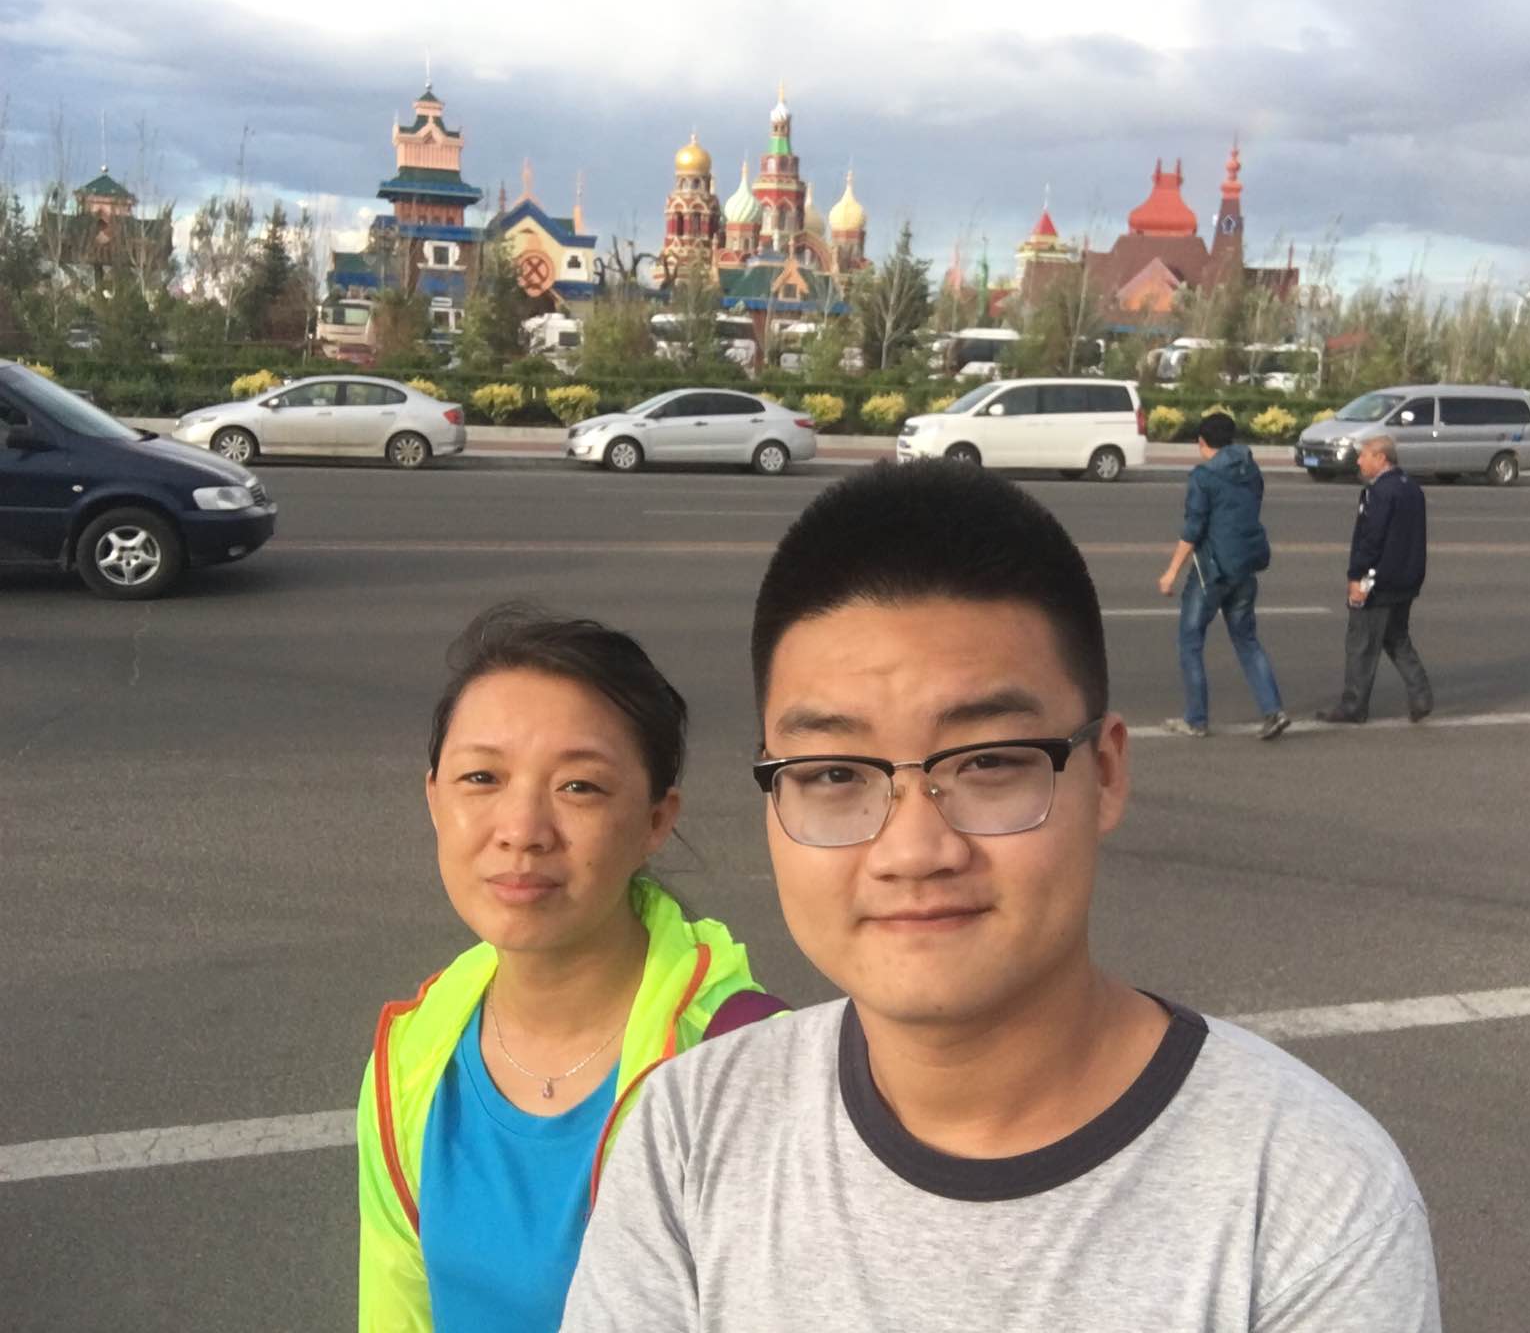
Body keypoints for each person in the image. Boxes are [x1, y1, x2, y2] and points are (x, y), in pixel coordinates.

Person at [562, 461, 1441, 1332]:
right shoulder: (690, 1134)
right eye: (832, 773)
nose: (912, 850)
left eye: (986, 762)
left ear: (1105, 774)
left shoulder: (1303, 1198)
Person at [357, 604, 784, 1333]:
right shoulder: (412, 1053)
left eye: (579, 786)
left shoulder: (744, 1070)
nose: (522, 831)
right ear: (434, 798)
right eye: (481, 777)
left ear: (655, 820)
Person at [1157, 410, 1290, 740]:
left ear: (1202, 442)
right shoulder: (1250, 469)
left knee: (1190, 641)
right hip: (1245, 567)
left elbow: (1193, 528)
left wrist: (1171, 572)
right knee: (1246, 640)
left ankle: (1196, 719)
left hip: (1212, 571)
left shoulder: (1204, 477)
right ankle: (1273, 710)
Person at [1318, 435, 1434, 724]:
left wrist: (1357, 577)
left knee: (1361, 644)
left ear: (1381, 458)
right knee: (1396, 638)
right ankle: (1421, 695)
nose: (1359, 461)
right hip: (1406, 578)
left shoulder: (1380, 492)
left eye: (1364, 455)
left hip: (1377, 580)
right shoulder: (1411, 488)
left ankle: (1353, 705)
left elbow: (1371, 538)